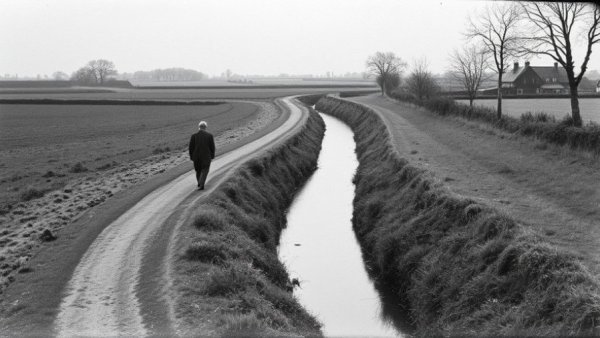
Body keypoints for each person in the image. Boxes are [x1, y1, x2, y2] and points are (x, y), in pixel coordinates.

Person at [189, 121, 215, 190]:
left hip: (196, 157)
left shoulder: (194, 136)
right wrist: (212, 156)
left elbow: (191, 148)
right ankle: (201, 184)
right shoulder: (210, 136)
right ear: (205, 127)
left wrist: (191, 157)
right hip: (206, 157)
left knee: (198, 171)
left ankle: (200, 183)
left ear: (199, 127)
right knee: (205, 170)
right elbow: (212, 147)